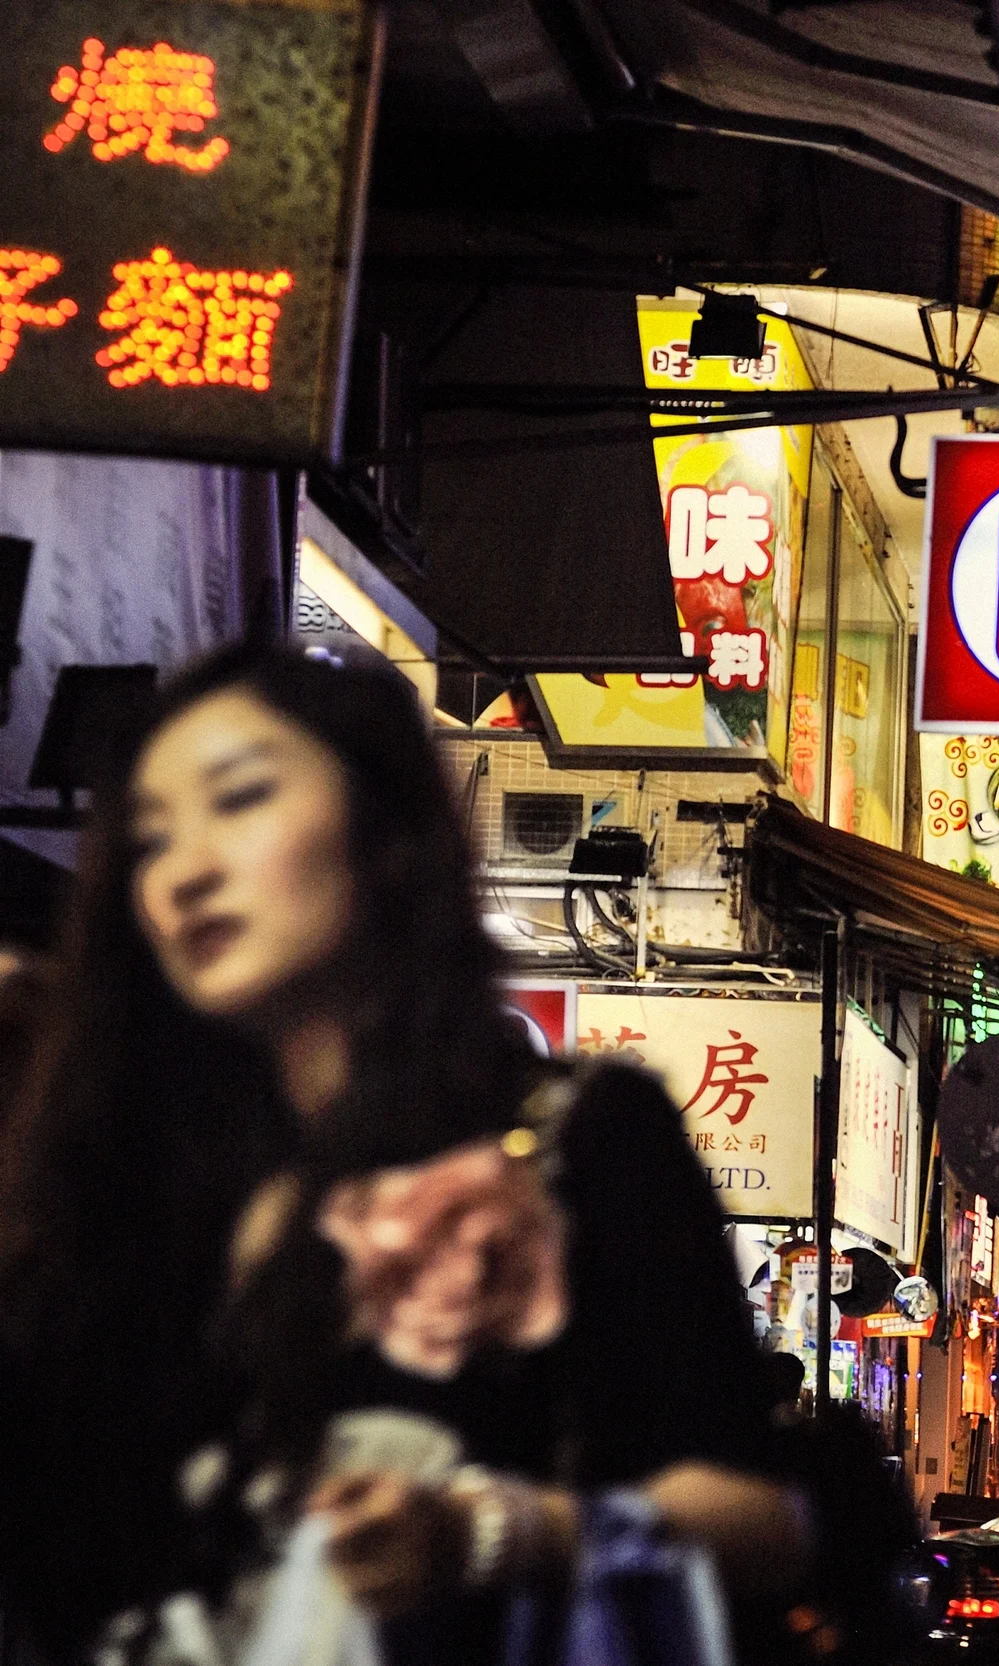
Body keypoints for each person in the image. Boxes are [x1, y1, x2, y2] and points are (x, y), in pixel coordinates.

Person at [0, 645, 812, 1662]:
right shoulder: (138, 1180)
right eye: (150, 839)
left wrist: (493, 1532)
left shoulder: (577, 1137)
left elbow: (765, 1524)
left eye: (242, 797)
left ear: (387, 825)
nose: (186, 869)